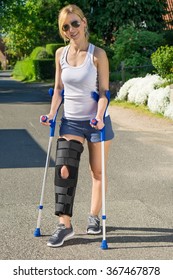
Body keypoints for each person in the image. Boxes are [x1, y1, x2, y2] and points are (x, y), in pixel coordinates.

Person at [41, 4, 114, 247]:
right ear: (62, 31)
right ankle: (64, 225)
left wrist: (100, 116)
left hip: (96, 122)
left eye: (75, 23)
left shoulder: (97, 54)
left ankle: (94, 217)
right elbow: (59, 90)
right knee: (64, 169)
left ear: (84, 23)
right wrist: (52, 114)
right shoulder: (60, 54)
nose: (71, 29)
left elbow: (104, 92)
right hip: (71, 121)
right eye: (65, 26)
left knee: (97, 172)